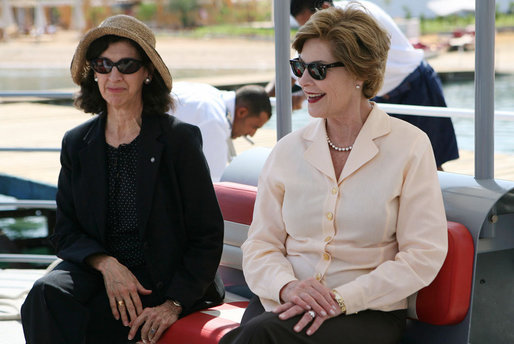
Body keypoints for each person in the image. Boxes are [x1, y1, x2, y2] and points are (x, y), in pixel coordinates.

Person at [220, 5, 448, 343]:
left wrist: (343, 299)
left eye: (318, 69)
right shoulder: (287, 151)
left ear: (359, 73)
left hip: (366, 314)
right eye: (299, 66)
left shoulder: (410, 146)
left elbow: (422, 255)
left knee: (258, 336)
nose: (303, 80)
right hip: (284, 303)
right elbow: (261, 245)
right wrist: (287, 287)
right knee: (260, 332)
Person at [21, 15, 224, 344]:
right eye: (103, 65)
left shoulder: (179, 141)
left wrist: (173, 304)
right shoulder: (77, 143)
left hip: (162, 279)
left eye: (127, 65)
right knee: (45, 296)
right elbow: (66, 231)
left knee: (108, 319)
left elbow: (207, 235)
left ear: (147, 73)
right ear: (94, 73)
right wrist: (105, 264)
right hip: (102, 272)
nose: (114, 76)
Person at [290, 0, 459, 170]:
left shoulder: (354, 23)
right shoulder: (321, 44)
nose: (311, 29)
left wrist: (305, 94)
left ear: (325, 8)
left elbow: (342, 70)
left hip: (414, 84)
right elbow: (316, 73)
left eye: (310, 21)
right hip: (381, 95)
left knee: (431, 163)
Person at [170, 82, 272, 182]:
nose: (252, 134)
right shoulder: (215, 122)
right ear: (242, 112)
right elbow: (213, 184)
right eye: (254, 127)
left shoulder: (210, 93)